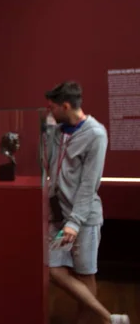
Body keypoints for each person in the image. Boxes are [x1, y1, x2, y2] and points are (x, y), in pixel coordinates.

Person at [44, 81, 129, 324]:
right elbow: (47, 163)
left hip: (83, 218)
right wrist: (48, 133)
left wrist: (75, 221)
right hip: (58, 215)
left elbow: (89, 183)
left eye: (52, 108)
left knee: (85, 274)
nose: (50, 112)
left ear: (66, 106)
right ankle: (108, 318)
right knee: (52, 268)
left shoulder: (96, 134)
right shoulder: (58, 131)